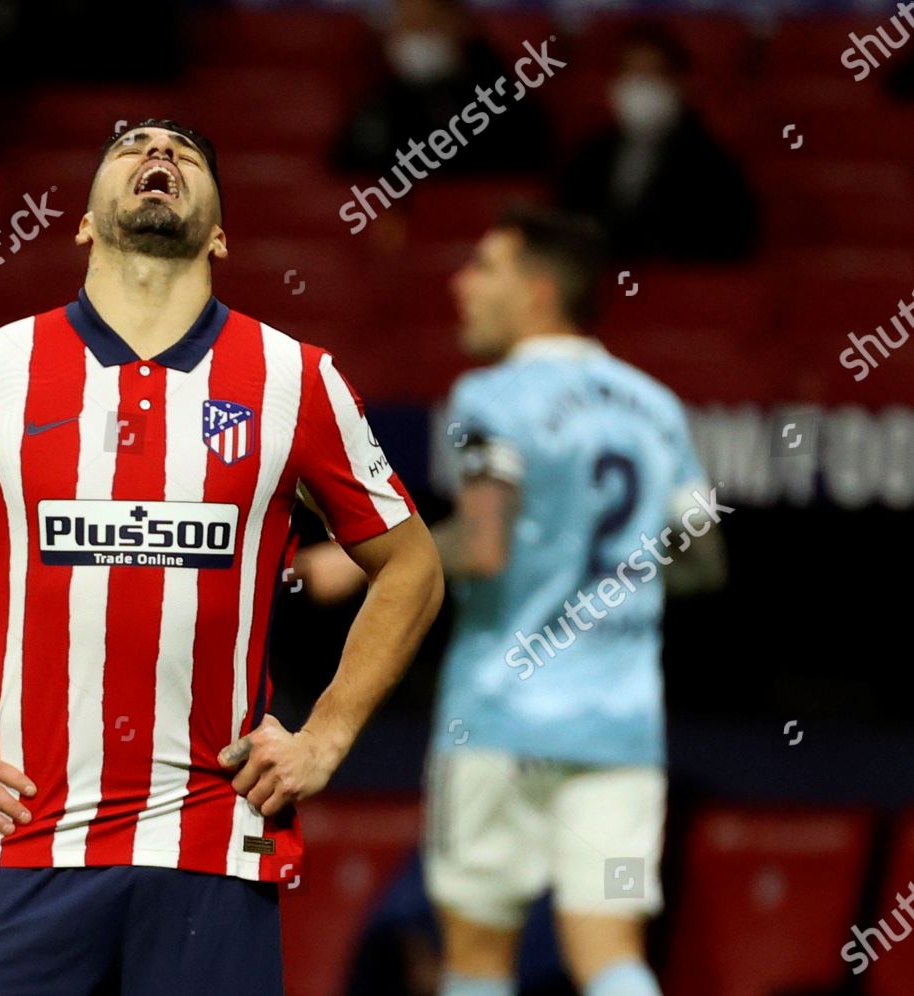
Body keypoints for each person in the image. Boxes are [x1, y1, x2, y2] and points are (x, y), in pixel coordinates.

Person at [0, 119, 445, 995]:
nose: (160, 157)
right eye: (131, 147)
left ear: (220, 231)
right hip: (20, 849)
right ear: (83, 220)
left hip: (212, 853)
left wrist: (327, 737)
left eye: (186, 154)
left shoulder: (295, 380)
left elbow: (412, 565)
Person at [296, 204, 726, 996]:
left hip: (498, 725)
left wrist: (361, 564)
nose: (462, 284)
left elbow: (485, 544)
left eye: (483, 267)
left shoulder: (490, 400)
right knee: (613, 953)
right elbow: (703, 559)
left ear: (535, 290)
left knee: (478, 954)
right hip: (622, 740)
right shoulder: (655, 407)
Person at [557, 23, 758, 263]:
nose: (641, 86)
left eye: (653, 73)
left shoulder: (714, 165)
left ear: (679, 84)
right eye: (632, 72)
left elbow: (727, 240)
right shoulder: (590, 157)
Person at [331, 0, 551, 178]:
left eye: (424, 24)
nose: (412, 36)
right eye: (405, 23)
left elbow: (516, 161)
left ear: (458, 23)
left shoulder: (505, 100)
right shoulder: (380, 99)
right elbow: (351, 164)